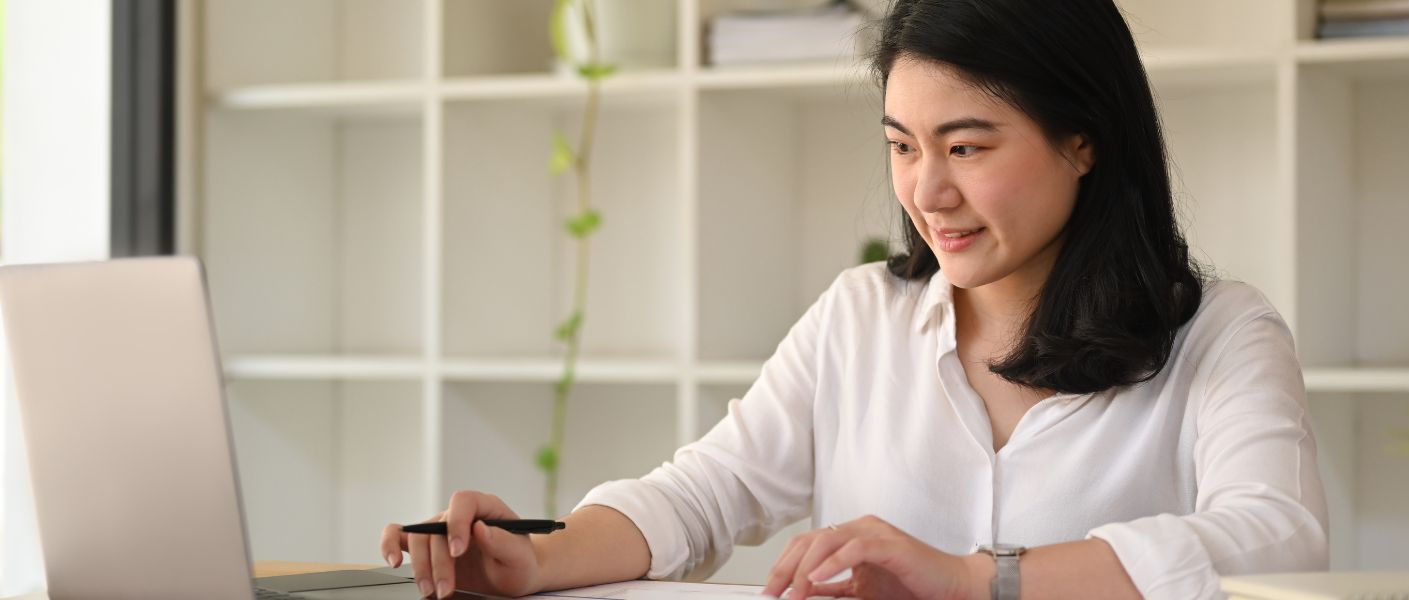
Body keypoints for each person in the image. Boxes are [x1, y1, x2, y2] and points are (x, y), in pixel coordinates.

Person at [379, 0, 1329, 597]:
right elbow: (704, 495)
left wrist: (974, 582)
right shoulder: (859, 316)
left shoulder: (1219, 333)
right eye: (902, 145)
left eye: (966, 146)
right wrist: (538, 558)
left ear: (1084, 140)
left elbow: (1276, 544)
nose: (926, 192)